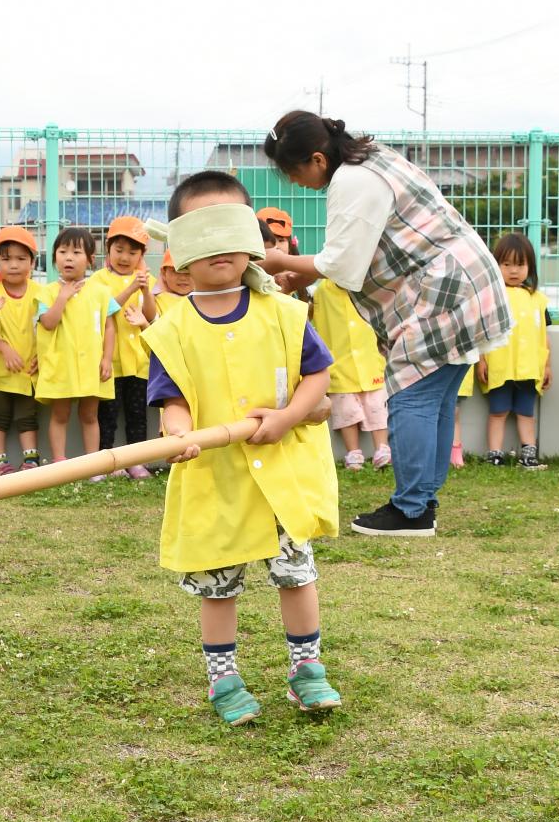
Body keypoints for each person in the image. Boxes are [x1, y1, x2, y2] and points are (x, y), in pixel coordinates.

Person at [143, 170, 340, 725]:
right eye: (201, 231)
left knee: (297, 572)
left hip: (282, 472)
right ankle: (222, 680)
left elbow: (317, 377)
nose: (219, 246)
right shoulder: (172, 327)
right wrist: (178, 433)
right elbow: (171, 397)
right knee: (218, 584)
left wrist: (287, 418)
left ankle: (308, 671)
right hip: (217, 477)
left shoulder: (283, 311)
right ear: (180, 250)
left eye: (229, 227)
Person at [260, 111, 510, 538]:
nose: (296, 183)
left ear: (317, 159)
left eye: (293, 172)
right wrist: (307, 272)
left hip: (444, 289)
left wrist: (282, 261)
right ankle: (422, 500)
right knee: (436, 397)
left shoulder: (351, 181)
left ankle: (411, 510)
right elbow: (355, 249)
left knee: (410, 394)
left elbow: (343, 264)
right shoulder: (372, 159)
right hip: (465, 278)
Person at [35, 226, 117, 465]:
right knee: (60, 414)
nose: (68, 257)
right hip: (61, 365)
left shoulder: (101, 292)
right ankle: (60, 461)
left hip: (92, 366)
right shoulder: (46, 292)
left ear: (90, 260)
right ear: (54, 258)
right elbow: (48, 323)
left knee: (90, 415)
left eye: (76, 252)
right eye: (62, 252)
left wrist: (107, 359)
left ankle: (93, 464)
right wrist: (62, 297)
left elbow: (110, 327)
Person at [0, 225, 45, 473]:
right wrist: (4, 348)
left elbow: (50, 327)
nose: (13, 264)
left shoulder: (41, 294)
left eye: (21, 258)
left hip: (28, 370)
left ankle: (31, 460)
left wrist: (43, 356)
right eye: (6, 259)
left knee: (28, 417)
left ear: (33, 263)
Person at [478, 232, 551, 469]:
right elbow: (482, 332)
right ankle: (494, 454)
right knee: (498, 411)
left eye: (520, 264)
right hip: (500, 365)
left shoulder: (538, 299)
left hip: (529, 366)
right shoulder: (491, 297)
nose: (513, 270)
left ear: (530, 266)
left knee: (526, 412)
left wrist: (547, 364)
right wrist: (481, 360)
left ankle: (528, 455)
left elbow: (544, 335)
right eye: (506, 264)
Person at [90, 215, 157, 463]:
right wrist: (131, 288)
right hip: (111, 361)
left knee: (137, 414)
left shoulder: (147, 280)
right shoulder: (98, 280)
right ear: (108, 249)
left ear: (141, 255)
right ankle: (105, 461)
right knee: (107, 414)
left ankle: (136, 462)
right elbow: (105, 309)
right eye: (119, 250)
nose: (125, 257)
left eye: (132, 252)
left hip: (138, 361)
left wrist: (146, 290)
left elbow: (151, 315)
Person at [309, 274, 389, 472]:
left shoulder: (368, 287)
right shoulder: (322, 291)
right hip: (339, 363)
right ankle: (353, 452)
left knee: (376, 406)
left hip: (369, 360)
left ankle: (382, 448)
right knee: (345, 410)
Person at [151, 250, 193, 318]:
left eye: (188, 272)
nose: (182, 278)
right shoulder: (154, 300)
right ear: (164, 273)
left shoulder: (206, 299)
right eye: (176, 271)